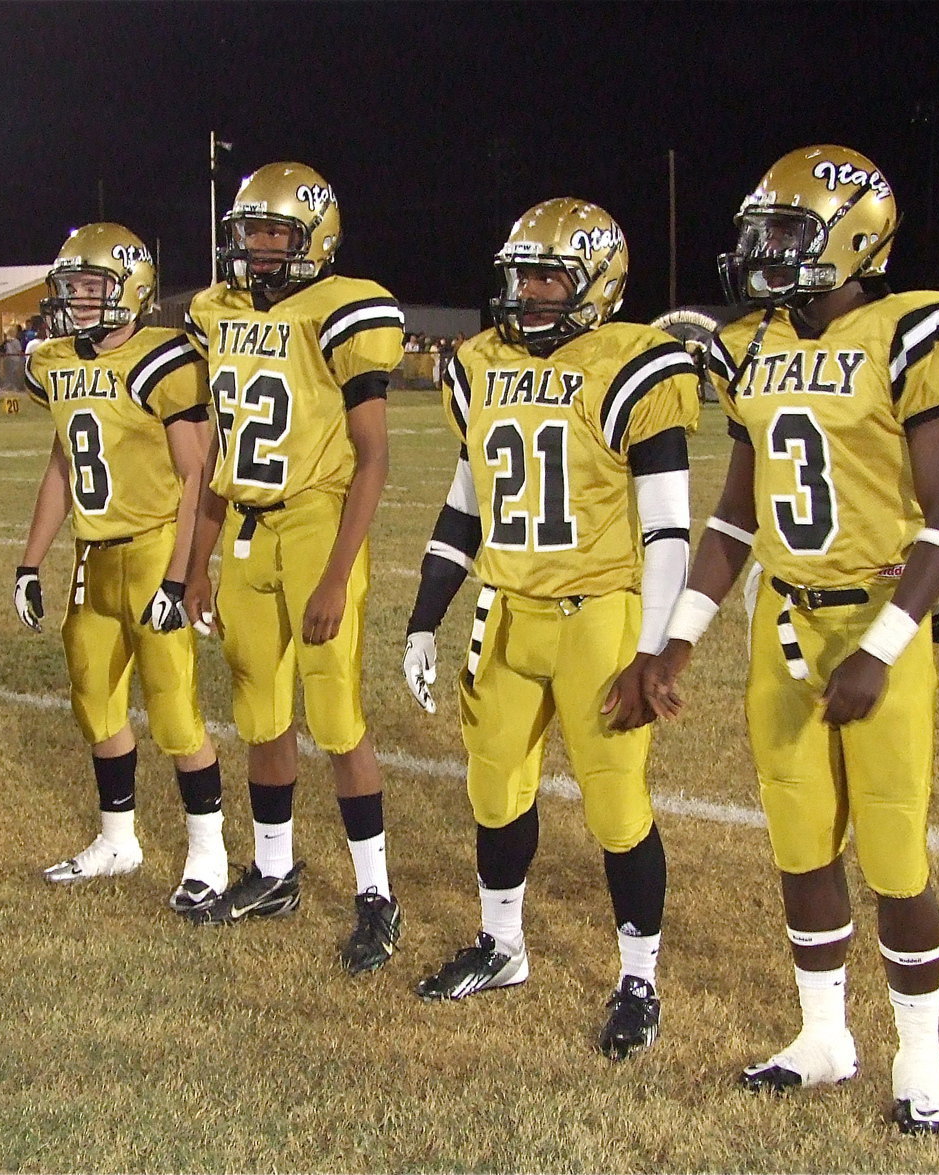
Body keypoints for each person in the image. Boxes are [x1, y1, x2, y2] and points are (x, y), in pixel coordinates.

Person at [643, 145, 939, 1133]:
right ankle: (823, 1036)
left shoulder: (911, 333)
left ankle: (920, 1055)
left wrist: (885, 643)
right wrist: (677, 642)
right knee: (800, 842)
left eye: (785, 232)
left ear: (850, 239)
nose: (761, 250)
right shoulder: (755, 345)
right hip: (784, 616)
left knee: (892, 852)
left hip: (872, 620)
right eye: (759, 230)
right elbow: (731, 519)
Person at [402, 198, 701, 1059]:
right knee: (494, 792)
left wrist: (653, 647)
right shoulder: (481, 365)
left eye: (548, 276)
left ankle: (639, 978)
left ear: (597, 282)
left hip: (598, 613)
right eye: (521, 276)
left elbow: (669, 529)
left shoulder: (629, 364)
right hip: (506, 607)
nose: (528, 293)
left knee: (615, 803)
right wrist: (426, 616)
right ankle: (503, 946)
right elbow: (466, 504)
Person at [183, 162, 406, 976]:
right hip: (243, 522)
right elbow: (217, 446)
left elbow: (375, 457)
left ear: (315, 235)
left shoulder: (345, 308)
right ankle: (275, 873)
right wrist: (197, 561)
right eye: (250, 231)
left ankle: (376, 894)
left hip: (316, 519)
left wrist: (338, 573)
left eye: (275, 231)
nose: (258, 247)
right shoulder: (218, 312)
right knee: (260, 710)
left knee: (338, 716)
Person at [15, 222, 228, 913]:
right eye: (71, 285)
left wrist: (179, 575)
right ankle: (118, 839)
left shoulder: (159, 358)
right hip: (90, 557)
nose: (75, 299)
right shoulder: (55, 360)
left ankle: (208, 852)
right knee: (94, 701)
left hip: (149, 548)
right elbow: (63, 464)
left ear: (131, 288)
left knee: (173, 711)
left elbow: (197, 474)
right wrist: (29, 561)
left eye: (90, 285)